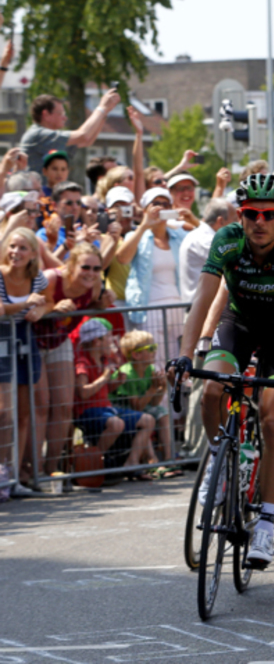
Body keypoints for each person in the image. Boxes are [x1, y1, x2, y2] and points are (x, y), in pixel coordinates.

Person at [173, 173, 274, 569]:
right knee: (213, 390)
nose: (260, 222)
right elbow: (203, 296)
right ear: (241, 215)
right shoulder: (228, 239)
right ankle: (219, 463)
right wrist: (186, 355)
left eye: (270, 214)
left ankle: (266, 524)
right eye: (252, 213)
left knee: (271, 418)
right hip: (239, 322)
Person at [32, 245, 105, 476]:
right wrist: (53, 306)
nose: (90, 273)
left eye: (96, 268)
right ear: (71, 265)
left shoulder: (94, 286)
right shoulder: (51, 278)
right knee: (41, 405)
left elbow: (90, 306)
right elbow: (28, 307)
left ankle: (50, 469)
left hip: (59, 341)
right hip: (32, 340)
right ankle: (31, 470)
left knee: (64, 406)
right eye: (85, 266)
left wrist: (101, 305)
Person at [74, 318, 156, 475]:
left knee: (148, 420)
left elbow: (103, 390)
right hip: (88, 412)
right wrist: (105, 378)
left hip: (106, 409)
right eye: (108, 337)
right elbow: (83, 393)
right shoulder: (83, 362)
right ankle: (93, 463)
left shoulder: (105, 360)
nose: (112, 341)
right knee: (116, 424)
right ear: (97, 341)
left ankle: (131, 462)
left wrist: (117, 383)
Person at [116, 187, 187, 367]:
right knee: (156, 366)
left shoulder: (178, 235)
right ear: (146, 208)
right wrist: (144, 224)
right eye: (156, 204)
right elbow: (122, 258)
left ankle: (176, 396)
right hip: (150, 311)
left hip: (177, 309)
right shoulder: (136, 235)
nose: (161, 208)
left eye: (166, 204)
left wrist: (189, 218)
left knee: (175, 366)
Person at [0, 228, 49, 489]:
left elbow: (48, 300)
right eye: (12, 246)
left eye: (21, 248)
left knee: (22, 414)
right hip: (1, 340)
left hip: (24, 341)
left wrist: (40, 307)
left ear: (32, 254)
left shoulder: (37, 278)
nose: (15, 252)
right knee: (3, 413)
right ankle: (1, 474)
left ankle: (14, 477)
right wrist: (26, 304)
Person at [110, 330, 175, 470]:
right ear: (136, 354)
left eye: (155, 347)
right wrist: (153, 388)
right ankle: (153, 460)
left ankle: (170, 458)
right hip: (121, 410)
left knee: (163, 413)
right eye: (150, 349)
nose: (155, 351)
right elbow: (137, 408)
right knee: (146, 419)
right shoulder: (128, 373)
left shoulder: (149, 368)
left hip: (137, 408)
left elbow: (154, 403)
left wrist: (161, 388)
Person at [19, 89, 121, 172]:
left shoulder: (49, 137)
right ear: (46, 115)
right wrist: (102, 108)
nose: (65, 118)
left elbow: (87, 140)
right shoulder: (39, 134)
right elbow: (83, 135)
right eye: (61, 114)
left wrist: (105, 112)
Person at [179, 199, 235, 304]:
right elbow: (234, 264)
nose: (239, 225)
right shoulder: (205, 239)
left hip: (202, 308)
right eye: (235, 220)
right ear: (221, 221)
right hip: (201, 311)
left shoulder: (203, 235)